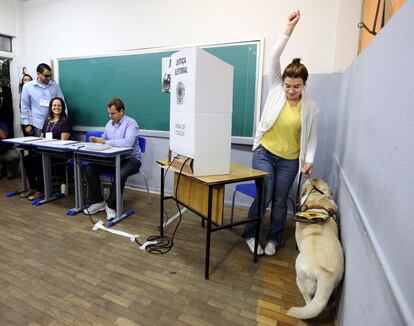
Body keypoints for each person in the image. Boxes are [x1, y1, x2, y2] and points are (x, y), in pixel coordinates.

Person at [242, 10, 319, 256]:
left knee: (279, 201)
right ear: (282, 82)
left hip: (288, 161)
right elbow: (274, 55)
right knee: (264, 196)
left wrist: (309, 160)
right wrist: (288, 28)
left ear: (304, 85)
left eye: (296, 86)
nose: (291, 90)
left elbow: (311, 137)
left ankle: (274, 239)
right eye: (288, 85)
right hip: (265, 152)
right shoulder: (275, 87)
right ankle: (251, 234)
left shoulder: (311, 108)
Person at [83, 98, 141, 220]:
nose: (110, 116)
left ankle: (111, 206)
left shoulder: (131, 123)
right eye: (109, 113)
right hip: (113, 159)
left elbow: (128, 142)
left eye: (113, 113)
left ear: (122, 111)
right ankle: (98, 202)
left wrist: (106, 141)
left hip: (131, 159)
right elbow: (105, 137)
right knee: (90, 168)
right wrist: (97, 140)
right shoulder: (109, 123)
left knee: (120, 173)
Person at [20, 97, 72, 200]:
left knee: (38, 160)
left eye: (59, 105)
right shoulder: (47, 120)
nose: (56, 107)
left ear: (63, 107)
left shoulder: (65, 120)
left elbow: (63, 141)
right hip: (45, 151)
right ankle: (33, 187)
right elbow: (42, 137)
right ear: (51, 107)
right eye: (54, 105)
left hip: (59, 154)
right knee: (27, 159)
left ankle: (41, 190)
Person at [20, 63, 65, 137]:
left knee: (54, 146)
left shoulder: (55, 86)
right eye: (46, 76)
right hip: (38, 125)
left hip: (55, 124)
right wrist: (27, 124)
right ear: (38, 74)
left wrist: (63, 121)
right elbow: (24, 106)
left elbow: (62, 103)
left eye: (50, 75)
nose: (49, 78)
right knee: (40, 146)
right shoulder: (28, 87)